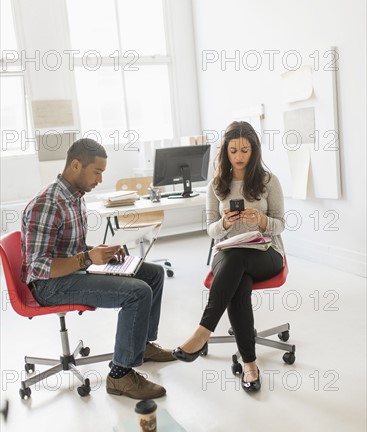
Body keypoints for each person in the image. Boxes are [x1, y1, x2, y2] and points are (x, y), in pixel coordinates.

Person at [21, 138, 176, 400]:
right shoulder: (47, 203)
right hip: (49, 286)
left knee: (153, 274)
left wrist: (100, 253)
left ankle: (144, 345)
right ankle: (120, 376)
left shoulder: (75, 196)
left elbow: (73, 249)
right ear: (76, 165)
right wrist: (88, 258)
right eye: (97, 172)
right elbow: (38, 268)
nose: (100, 180)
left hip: (70, 273)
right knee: (137, 293)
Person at [172, 121, 285, 393]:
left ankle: (202, 333)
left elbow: (280, 224)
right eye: (233, 150)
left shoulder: (269, 181)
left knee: (239, 264)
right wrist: (224, 223)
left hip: (266, 252)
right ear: (225, 152)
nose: (239, 156)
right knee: (238, 276)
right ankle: (250, 365)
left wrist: (260, 221)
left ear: (254, 150)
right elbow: (210, 229)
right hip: (228, 251)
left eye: (245, 150)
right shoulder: (216, 184)